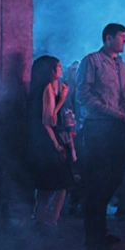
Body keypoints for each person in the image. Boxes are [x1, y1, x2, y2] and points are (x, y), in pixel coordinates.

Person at [75, 23, 125, 250]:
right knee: (98, 181)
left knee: (115, 178)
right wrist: (117, 114)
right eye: (122, 37)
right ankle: (93, 237)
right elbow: (83, 95)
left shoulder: (121, 65)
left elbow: (124, 97)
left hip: (118, 129)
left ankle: (100, 231)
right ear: (108, 38)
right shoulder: (91, 61)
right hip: (98, 128)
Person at [27, 56, 73, 231]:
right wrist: (62, 98)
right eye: (58, 67)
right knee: (57, 184)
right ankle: (48, 222)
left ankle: (44, 222)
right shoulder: (46, 89)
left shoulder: (41, 88)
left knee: (50, 186)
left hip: (41, 142)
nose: (61, 69)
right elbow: (49, 121)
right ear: (50, 70)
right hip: (47, 143)